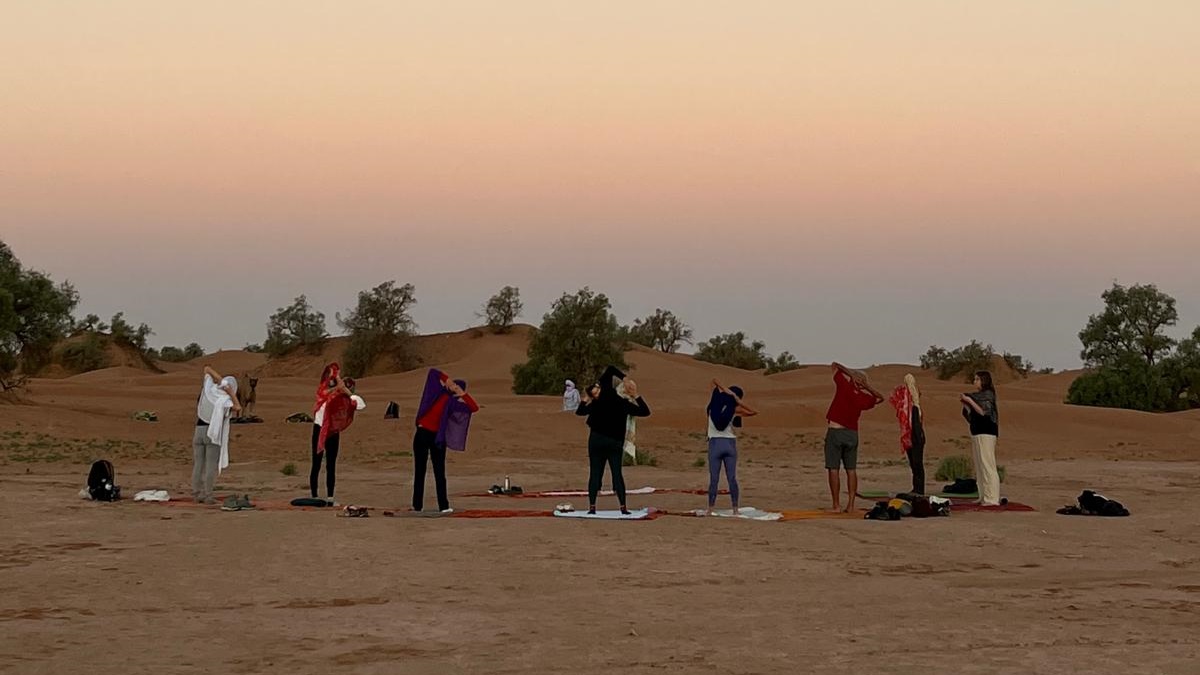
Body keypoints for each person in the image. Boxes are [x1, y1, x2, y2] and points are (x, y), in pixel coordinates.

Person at [575, 365, 651, 514]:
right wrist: (634, 393)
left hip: (596, 440)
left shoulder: (597, 401)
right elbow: (645, 411)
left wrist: (586, 399)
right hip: (614, 442)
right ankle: (623, 508)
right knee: (617, 473)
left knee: (595, 473)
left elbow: (580, 411)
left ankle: (592, 508)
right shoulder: (622, 402)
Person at [412, 368, 479, 513]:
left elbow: (474, 408)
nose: (454, 387)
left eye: (457, 386)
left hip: (437, 438)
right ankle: (417, 506)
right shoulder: (436, 391)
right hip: (422, 433)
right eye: (454, 385)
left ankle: (444, 506)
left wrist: (462, 394)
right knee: (419, 471)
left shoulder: (453, 403)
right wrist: (447, 380)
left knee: (439, 472)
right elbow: (433, 373)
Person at [824, 362, 884, 512]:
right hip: (852, 434)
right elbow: (880, 398)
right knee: (851, 469)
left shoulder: (845, 386)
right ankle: (850, 505)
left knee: (833, 469)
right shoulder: (864, 397)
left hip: (836, 432)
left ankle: (836, 505)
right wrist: (867, 387)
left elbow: (835, 365)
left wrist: (851, 375)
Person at [310, 363, 365, 505]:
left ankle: (330, 497)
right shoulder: (322, 392)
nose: (333, 378)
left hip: (333, 432)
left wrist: (344, 389)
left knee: (331, 465)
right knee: (316, 463)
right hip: (319, 429)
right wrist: (337, 387)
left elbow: (359, 404)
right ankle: (314, 496)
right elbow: (323, 393)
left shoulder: (341, 397)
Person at [705, 379, 758, 515]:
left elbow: (714, 381)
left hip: (715, 443)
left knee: (714, 479)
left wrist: (724, 389)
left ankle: (710, 509)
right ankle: (735, 510)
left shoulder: (713, 405)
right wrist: (737, 400)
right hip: (730, 444)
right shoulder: (733, 409)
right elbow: (753, 412)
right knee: (732, 478)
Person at [193, 365, 241, 504]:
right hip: (212, 433)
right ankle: (208, 495)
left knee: (198, 464)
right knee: (210, 466)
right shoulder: (224, 401)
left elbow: (207, 369)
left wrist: (219, 381)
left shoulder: (208, 391)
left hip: (198, 431)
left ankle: (196, 493)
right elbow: (238, 407)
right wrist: (231, 393)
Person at [961, 370, 1000, 506]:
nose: (975, 382)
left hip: (987, 432)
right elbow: (972, 413)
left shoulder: (988, 394)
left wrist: (969, 400)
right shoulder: (978, 396)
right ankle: (983, 495)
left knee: (987, 464)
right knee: (979, 465)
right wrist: (967, 404)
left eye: (977, 379)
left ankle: (992, 498)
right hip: (977, 431)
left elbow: (983, 412)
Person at [889, 373, 927, 494]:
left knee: (917, 464)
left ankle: (919, 489)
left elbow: (916, 421)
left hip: (916, 436)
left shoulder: (915, 406)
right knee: (914, 464)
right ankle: (916, 488)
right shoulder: (905, 403)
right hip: (909, 437)